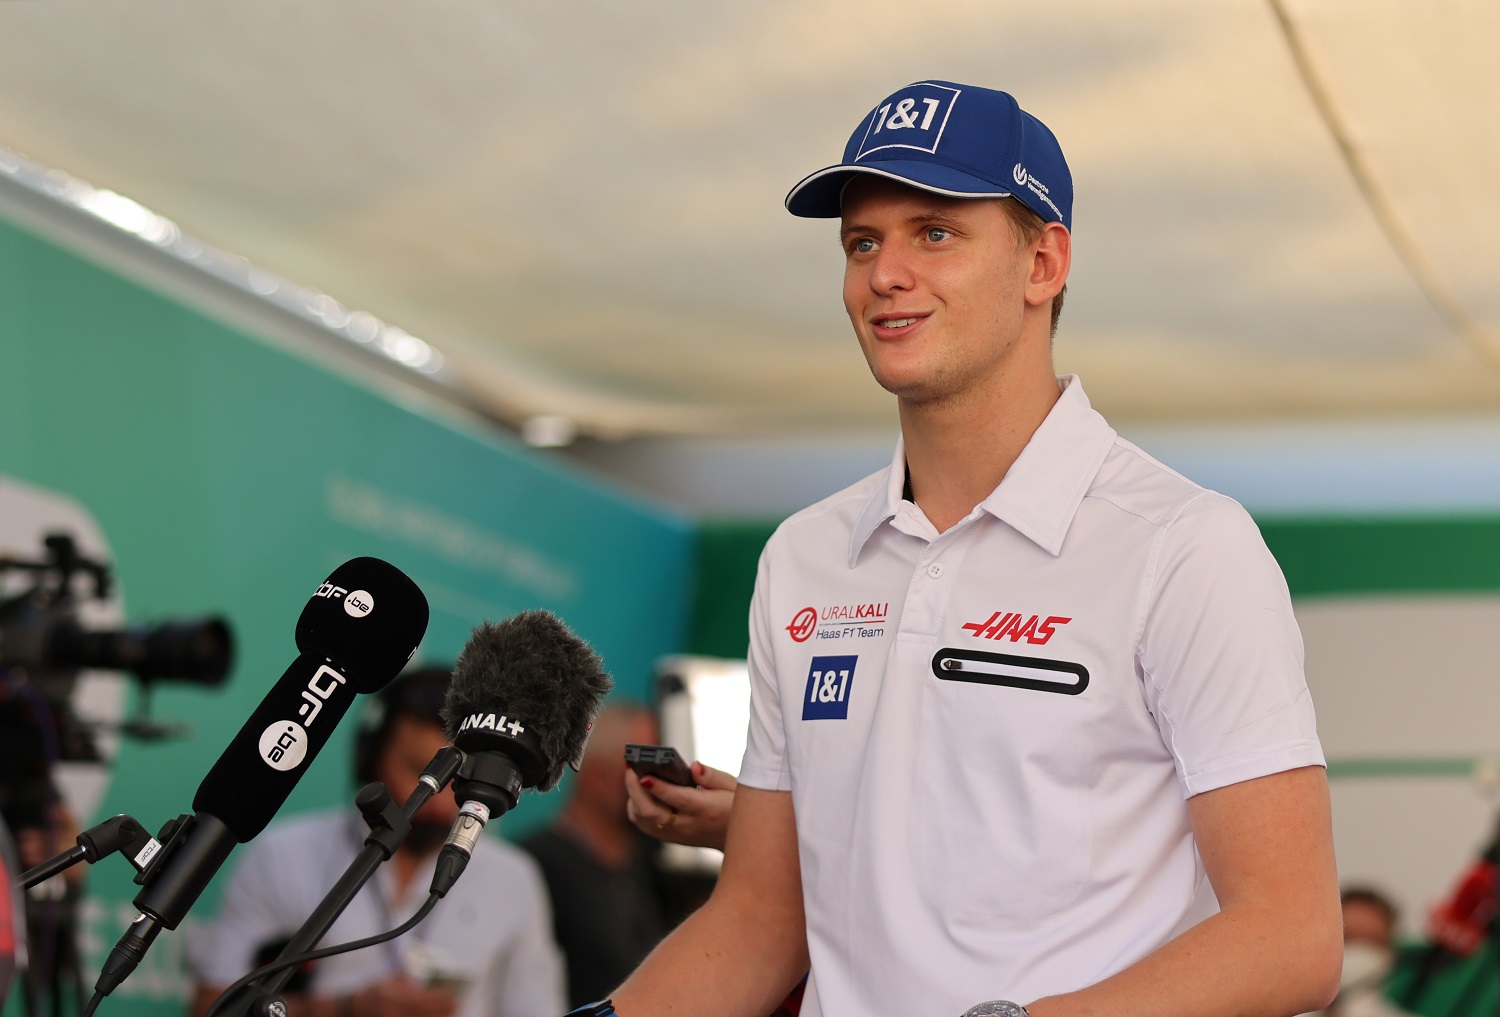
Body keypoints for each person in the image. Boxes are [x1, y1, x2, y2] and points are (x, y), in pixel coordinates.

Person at [606, 80, 1342, 1017]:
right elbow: (757, 919)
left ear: (1045, 263)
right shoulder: (805, 555)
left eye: (935, 232)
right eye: (861, 242)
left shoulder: (1184, 546)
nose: (884, 273)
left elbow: (1290, 935)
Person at [187, 667, 564, 1017]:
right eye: (420, 771)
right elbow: (213, 1007)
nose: (438, 798)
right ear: (370, 758)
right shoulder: (283, 854)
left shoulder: (515, 880)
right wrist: (347, 1009)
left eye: (459, 777)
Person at [520, 705, 672, 1008]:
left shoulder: (651, 866)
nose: (664, 784)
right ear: (596, 779)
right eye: (646, 770)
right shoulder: (535, 867)